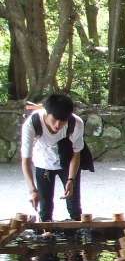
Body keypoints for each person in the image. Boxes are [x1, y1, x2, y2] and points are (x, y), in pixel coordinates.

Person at [20, 94, 85, 222]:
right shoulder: (32, 124)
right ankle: (46, 234)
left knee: (74, 205)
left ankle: (77, 234)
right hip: (43, 163)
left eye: (63, 121)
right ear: (46, 112)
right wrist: (32, 190)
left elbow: (76, 154)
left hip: (67, 161)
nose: (58, 125)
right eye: (54, 119)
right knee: (45, 208)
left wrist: (71, 179)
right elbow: (26, 161)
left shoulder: (76, 123)